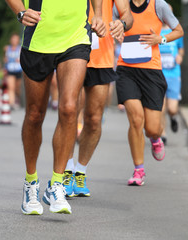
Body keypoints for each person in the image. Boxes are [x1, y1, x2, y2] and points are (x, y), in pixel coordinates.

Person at [6, 0, 106, 215]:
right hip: (38, 38)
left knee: (70, 108)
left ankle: (57, 184)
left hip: (76, 37)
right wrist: (20, 11)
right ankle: (31, 183)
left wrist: (97, 13)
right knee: (34, 114)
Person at [63, 0, 133, 197]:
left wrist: (122, 24)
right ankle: (66, 171)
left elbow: (127, 14)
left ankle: (80, 172)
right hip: (70, 54)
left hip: (101, 58)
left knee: (94, 120)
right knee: (69, 114)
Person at [114, 0, 184, 186]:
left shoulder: (158, 5)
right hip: (126, 69)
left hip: (151, 71)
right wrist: (115, 34)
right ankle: (139, 170)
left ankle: (155, 138)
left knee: (152, 128)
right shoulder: (120, 5)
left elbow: (179, 30)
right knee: (136, 119)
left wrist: (159, 39)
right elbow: (109, 25)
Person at [159, 5, 184, 145]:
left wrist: (180, 56)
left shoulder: (176, 31)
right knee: (160, 108)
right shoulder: (155, 30)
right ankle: (163, 134)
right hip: (159, 75)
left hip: (174, 74)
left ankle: (173, 118)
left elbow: (181, 49)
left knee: (172, 109)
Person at [4, 34, 23, 109]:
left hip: (18, 70)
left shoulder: (20, 48)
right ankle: (11, 103)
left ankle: (17, 98)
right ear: (10, 40)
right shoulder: (7, 48)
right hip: (10, 70)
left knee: (17, 88)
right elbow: (5, 59)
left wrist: (20, 60)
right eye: (13, 39)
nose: (14, 40)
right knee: (11, 87)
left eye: (16, 39)